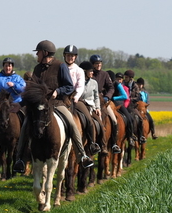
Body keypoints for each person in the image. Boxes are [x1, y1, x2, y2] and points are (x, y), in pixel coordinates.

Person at [13, 40, 94, 172]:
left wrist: (58, 91)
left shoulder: (60, 66)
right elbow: (31, 92)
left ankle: (82, 155)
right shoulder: (37, 68)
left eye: (38, 52)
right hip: (40, 106)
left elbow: (68, 86)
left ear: (45, 53)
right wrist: (20, 104)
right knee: (25, 125)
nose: (36, 55)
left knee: (72, 124)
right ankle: (20, 159)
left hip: (57, 104)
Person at [63, 45, 99, 153]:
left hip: (75, 98)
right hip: (61, 98)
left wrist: (76, 97)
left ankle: (92, 143)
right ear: (64, 56)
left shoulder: (78, 70)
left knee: (89, 119)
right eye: (68, 55)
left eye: (72, 56)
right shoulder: (60, 67)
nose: (70, 57)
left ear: (75, 57)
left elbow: (80, 86)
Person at [89, 54, 121, 154]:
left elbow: (111, 88)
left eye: (100, 63)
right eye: (96, 63)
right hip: (90, 101)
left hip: (103, 102)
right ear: (92, 64)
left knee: (114, 120)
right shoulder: (89, 74)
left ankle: (114, 144)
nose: (98, 65)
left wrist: (107, 97)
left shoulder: (105, 74)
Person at [79, 61, 108, 154]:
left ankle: (99, 145)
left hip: (91, 106)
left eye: (92, 70)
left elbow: (96, 96)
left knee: (99, 123)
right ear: (84, 71)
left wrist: (98, 108)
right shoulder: (78, 81)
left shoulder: (94, 82)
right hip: (79, 104)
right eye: (90, 71)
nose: (92, 72)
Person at [113, 72, 137, 142]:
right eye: (117, 79)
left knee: (130, 119)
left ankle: (130, 136)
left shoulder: (125, 88)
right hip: (112, 105)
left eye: (120, 79)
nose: (119, 80)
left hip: (121, 105)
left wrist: (125, 107)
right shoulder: (112, 86)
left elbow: (126, 99)